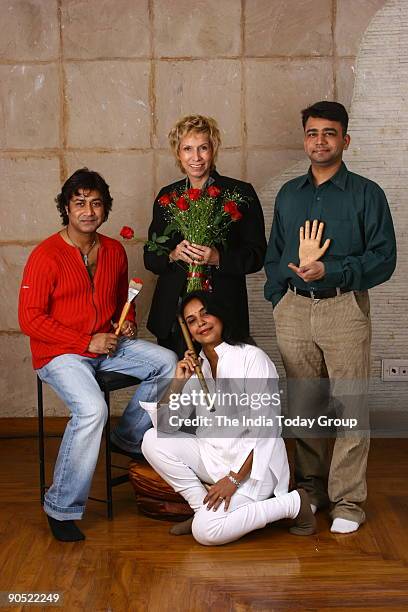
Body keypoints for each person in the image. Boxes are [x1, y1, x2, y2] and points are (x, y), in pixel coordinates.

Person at [18, 168, 177, 542]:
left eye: (95, 203)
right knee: (93, 409)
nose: (88, 211)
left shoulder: (114, 251)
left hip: (107, 344)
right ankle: (60, 506)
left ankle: (127, 436)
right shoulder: (46, 255)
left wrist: (128, 325)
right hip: (59, 353)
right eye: (79, 203)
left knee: (167, 362)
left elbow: (124, 300)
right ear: (67, 209)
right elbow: (29, 319)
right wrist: (84, 341)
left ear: (104, 209)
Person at [264, 101, 396, 534]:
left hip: (343, 307)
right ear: (305, 138)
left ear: (345, 139)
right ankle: (312, 489)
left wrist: (332, 270)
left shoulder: (366, 194)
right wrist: (279, 296)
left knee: (349, 406)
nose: (319, 141)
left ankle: (348, 501)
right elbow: (275, 252)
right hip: (296, 309)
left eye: (329, 133)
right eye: (313, 133)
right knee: (305, 406)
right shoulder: (289, 194)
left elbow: (384, 259)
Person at [141, 291, 316, 546]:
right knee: (151, 439)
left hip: (253, 466)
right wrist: (177, 383)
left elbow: (267, 430)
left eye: (205, 313)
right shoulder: (196, 366)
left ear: (220, 314)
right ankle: (202, 508)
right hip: (213, 456)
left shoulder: (252, 358)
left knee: (207, 533)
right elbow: (166, 426)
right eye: (191, 320)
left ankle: (293, 503)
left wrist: (234, 479)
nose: (199, 323)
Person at [144, 114, 266, 357]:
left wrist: (218, 258)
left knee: (224, 386)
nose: (196, 157)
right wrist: (172, 254)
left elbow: (257, 255)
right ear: (178, 154)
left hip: (223, 309)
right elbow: (151, 257)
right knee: (181, 385)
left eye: (203, 148)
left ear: (213, 150)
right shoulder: (167, 196)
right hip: (174, 314)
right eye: (187, 149)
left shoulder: (240, 193)